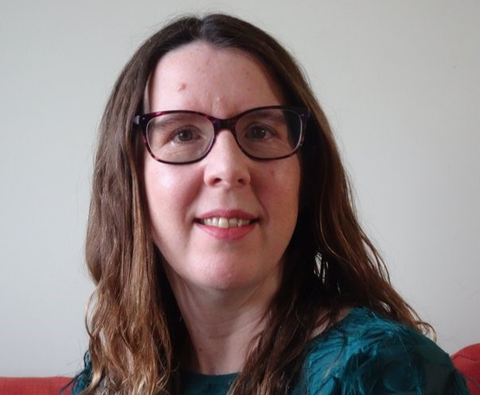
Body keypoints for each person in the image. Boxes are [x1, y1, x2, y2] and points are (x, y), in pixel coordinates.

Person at [71, 13, 470, 395]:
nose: (227, 168)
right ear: (129, 180)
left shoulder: (387, 373)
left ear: (306, 173)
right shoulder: (110, 375)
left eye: (260, 130)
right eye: (183, 133)